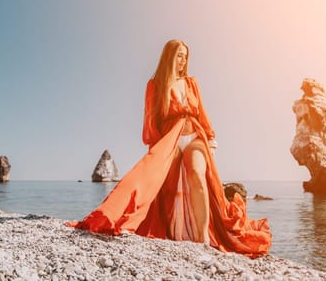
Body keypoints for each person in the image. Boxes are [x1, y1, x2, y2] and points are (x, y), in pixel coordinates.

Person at [68, 39, 271, 258]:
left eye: (185, 56)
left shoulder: (192, 83)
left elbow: (201, 112)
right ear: (169, 56)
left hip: (195, 136)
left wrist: (211, 138)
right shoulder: (155, 85)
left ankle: (202, 237)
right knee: (151, 182)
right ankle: (113, 214)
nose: (183, 61)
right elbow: (151, 118)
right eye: (179, 56)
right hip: (170, 140)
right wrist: (158, 149)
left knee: (196, 175)